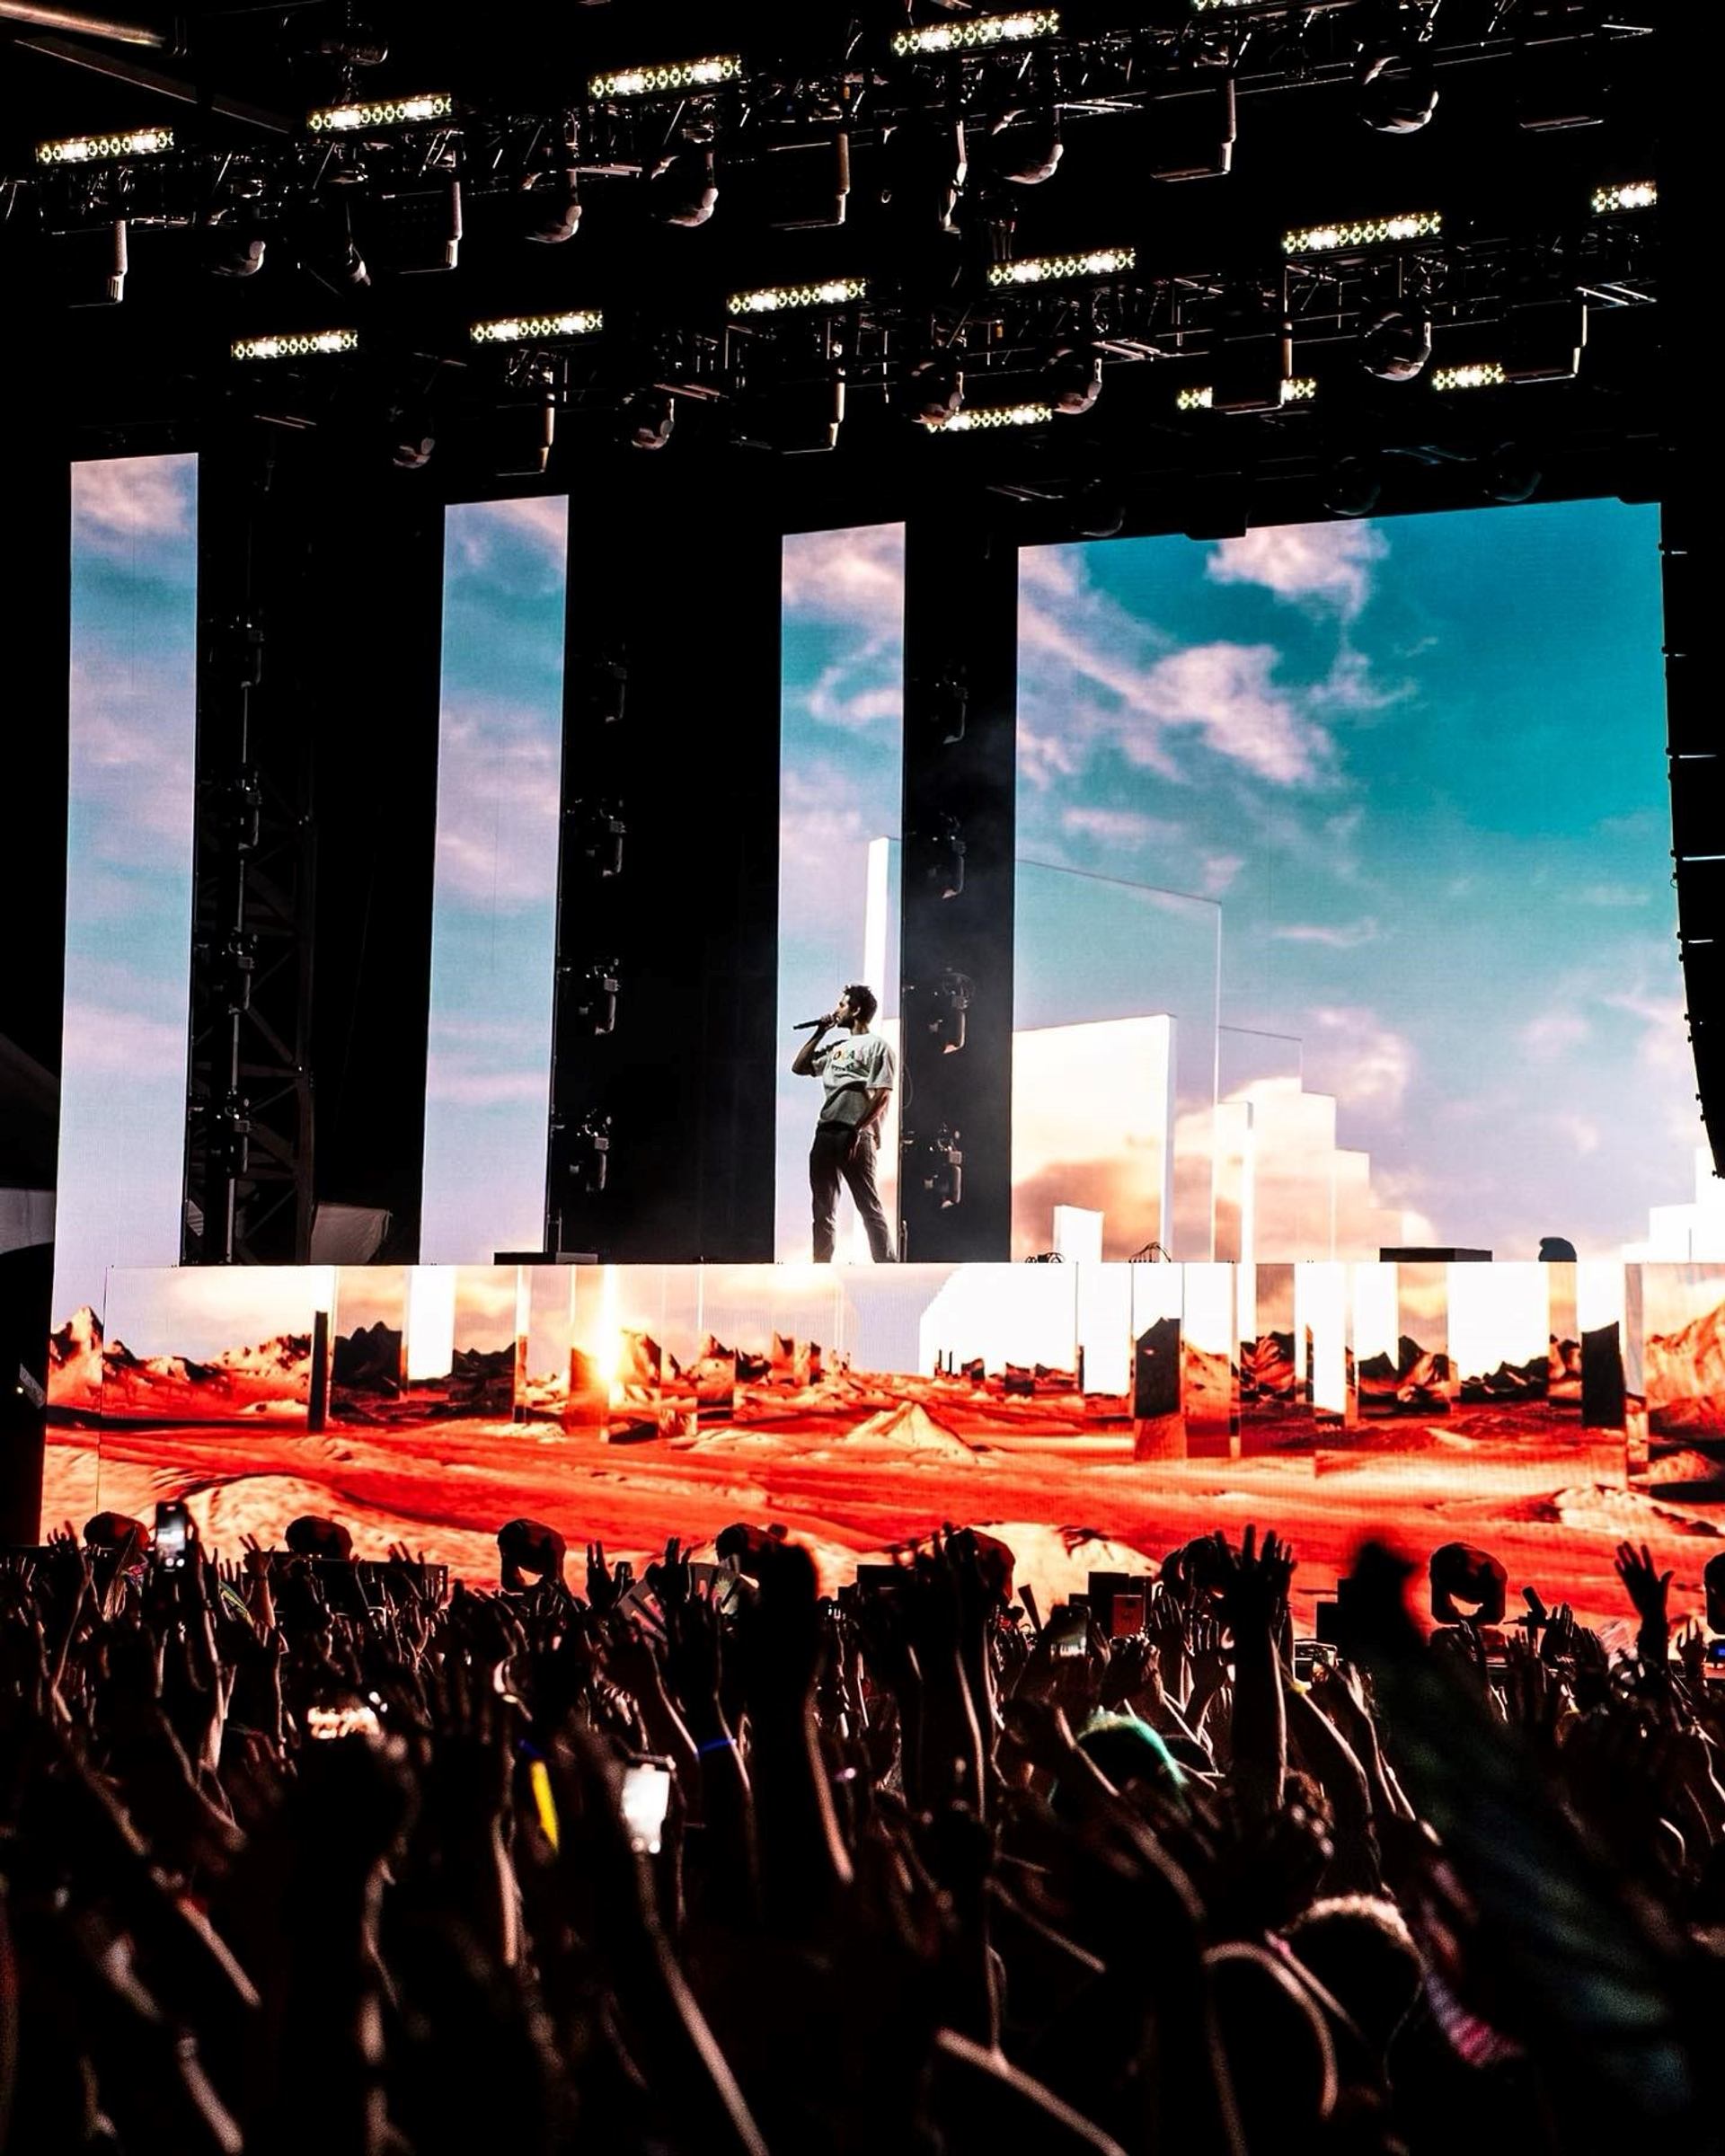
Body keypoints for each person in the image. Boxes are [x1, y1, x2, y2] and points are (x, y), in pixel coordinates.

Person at [792, 982, 897, 1262]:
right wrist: (820, 1032)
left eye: (841, 1005)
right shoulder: (836, 1047)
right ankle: (822, 1268)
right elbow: (800, 1067)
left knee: (868, 1206)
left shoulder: (877, 1046)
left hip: (857, 1135)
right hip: (826, 1132)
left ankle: (887, 1267)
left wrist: (857, 1130)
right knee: (822, 1209)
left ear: (856, 1009)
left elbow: (883, 1095)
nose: (836, 1010)